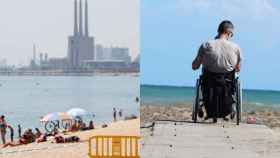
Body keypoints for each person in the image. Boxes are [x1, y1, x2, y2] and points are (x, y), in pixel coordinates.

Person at [192, 20, 242, 122]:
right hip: (227, 83)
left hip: (208, 82)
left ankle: (207, 110)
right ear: (229, 33)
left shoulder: (206, 45)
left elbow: (194, 66)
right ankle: (228, 108)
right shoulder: (236, 48)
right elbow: (238, 69)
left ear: (218, 31)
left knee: (205, 72)